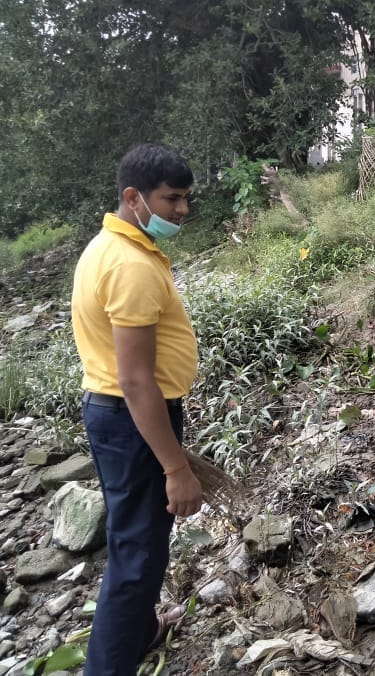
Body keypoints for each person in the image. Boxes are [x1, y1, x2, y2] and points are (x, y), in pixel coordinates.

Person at [71, 143, 203, 675]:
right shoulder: (129, 266)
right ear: (133, 197)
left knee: (134, 539)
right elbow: (135, 379)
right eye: (172, 199)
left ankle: (140, 630)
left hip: (116, 417)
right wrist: (176, 468)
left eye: (186, 198)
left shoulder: (108, 246)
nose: (182, 210)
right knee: (140, 556)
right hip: (133, 420)